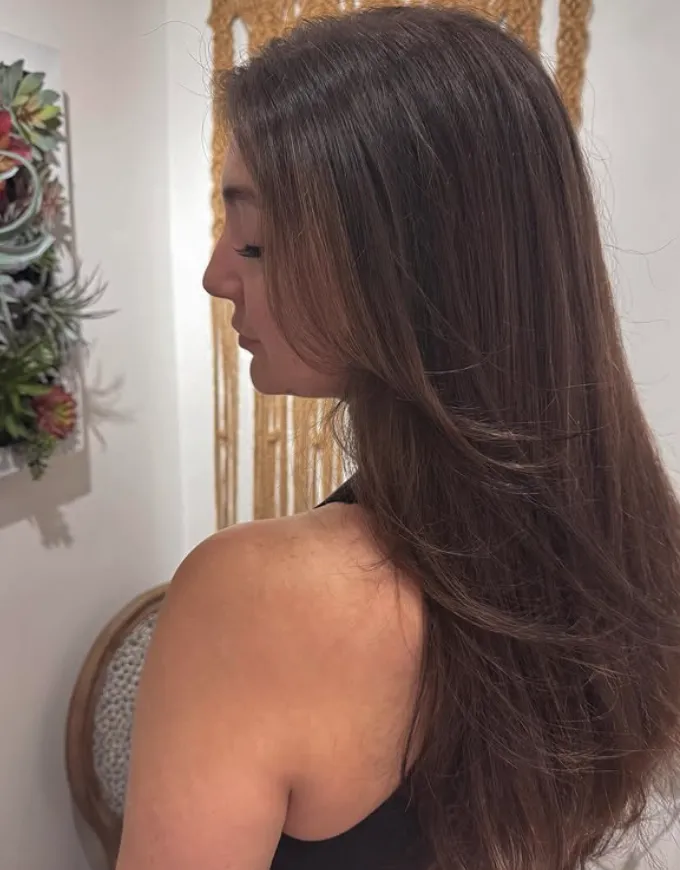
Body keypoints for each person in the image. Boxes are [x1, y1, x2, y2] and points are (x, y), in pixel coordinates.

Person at [116, 6, 680, 870]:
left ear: (402, 259)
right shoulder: (620, 550)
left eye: (254, 240)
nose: (215, 273)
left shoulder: (254, 596)